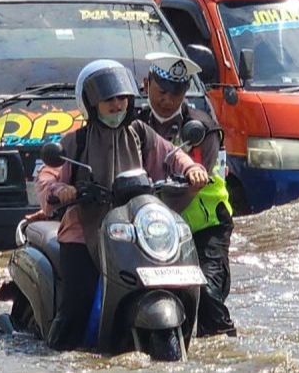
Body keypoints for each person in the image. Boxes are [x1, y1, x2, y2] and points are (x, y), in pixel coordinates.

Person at [35, 59, 209, 351]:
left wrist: (191, 168)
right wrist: (60, 189)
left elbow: (172, 156)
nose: (117, 105)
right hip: (83, 232)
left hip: (133, 230)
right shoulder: (76, 141)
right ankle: (56, 353)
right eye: (108, 100)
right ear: (91, 103)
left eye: (121, 99)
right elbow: (47, 175)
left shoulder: (140, 132)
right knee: (78, 299)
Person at [137, 52, 237, 337]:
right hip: (151, 228)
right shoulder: (133, 125)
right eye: (162, 91)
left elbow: (198, 176)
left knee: (207, 295)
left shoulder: (202, 127)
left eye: (177, 93)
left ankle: (224, 346)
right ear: (147, 84)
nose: (167, 100)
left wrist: (191, 175)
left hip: (205, 229)